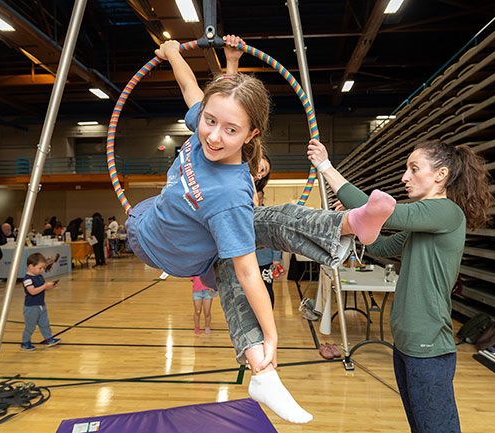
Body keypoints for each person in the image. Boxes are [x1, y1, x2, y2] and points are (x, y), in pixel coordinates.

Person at [125, 35, 396, 424]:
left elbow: (250, 270)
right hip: (148, 234)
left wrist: (271, 335)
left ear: (251, 135)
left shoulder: (232, 191)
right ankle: (345, 228)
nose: (214, 136)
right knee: (246, 243)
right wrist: (172, 53)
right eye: (209, 121)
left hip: (185, 249)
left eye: (230, 130)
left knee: (253, 234)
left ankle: (351, 223)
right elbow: (190, 88)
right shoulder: (214, 145)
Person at [306, 138, 495, 433]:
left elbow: (384, 212)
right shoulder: (422, 223)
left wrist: (326, 167)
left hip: (429, 347)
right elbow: (380, 246)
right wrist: (357, 221)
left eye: (414, 169)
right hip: (406, 344)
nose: (405, 177)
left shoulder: (446, 212)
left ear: (440, 175)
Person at [21, 252, 61, 351]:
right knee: (30, 327)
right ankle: (25, 342)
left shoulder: (39, 276)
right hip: (31, 307)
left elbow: (42, 289)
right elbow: (32, 291)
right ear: (31, 266)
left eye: (43, 268)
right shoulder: (27, 279)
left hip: (41, 305)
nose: (42, 270)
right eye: (40, 268)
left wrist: (50, 287)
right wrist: (44, 286)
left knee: (45, 323)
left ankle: (48, 339)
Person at [255, 190, 282, 308]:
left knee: (267, 287)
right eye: (256, 198)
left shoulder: (268, 216)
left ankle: (268, 312)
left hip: (267, 261)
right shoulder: (244, 215)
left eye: (261, 198)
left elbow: (276, 239)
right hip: (250, 262)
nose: (258, 201)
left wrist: (276, 259)